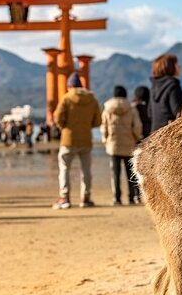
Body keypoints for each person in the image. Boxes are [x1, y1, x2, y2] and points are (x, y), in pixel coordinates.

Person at [52, 72, 101, 209]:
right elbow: (98, 121)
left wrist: (65, 127)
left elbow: (57, 118)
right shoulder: (92, 99)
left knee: (64, 168)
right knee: (86, 170)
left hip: (68, 139)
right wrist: (86, 126)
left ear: (69, 86)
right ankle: (85, 198)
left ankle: (65, 197)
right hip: (86, 139)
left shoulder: (66, 98)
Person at [102, 86, 143, 205]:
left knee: (115, 173)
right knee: (130, 172)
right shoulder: (132, 109)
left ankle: (117, 198)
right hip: (129, 144)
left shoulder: (107, 109)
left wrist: (106, 139)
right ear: (125, 95)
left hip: (113, 145)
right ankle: (131, 197)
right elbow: (137, 127)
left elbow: (103, 127)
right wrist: (135, 137)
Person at [149, 53, 182, 133]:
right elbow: (180, 113)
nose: (179, 66)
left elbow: (149, 113)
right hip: (169, 135)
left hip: (155, 134)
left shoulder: (153, 87)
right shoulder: (173, 85)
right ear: (170, 67)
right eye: (176, 64)